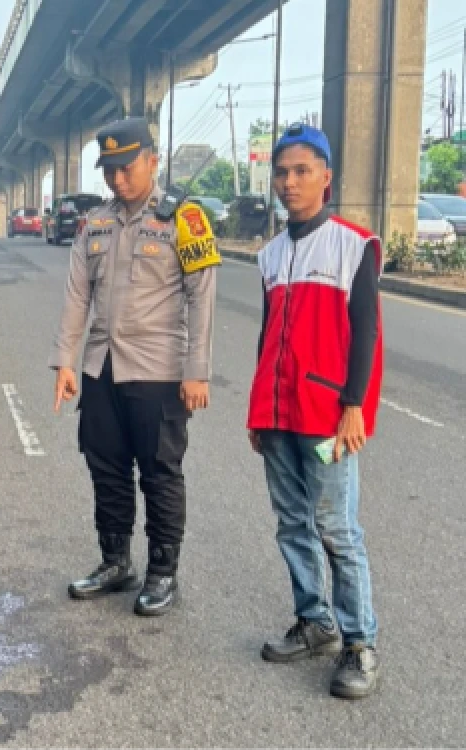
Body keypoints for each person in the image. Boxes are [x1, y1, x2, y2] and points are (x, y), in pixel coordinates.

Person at [50, 116, 219, 617]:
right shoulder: (95, 223)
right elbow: (77, 294)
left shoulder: (185, 219)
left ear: (152, 160)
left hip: (158, 370)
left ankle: (162, 571)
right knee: (105, 466)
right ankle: (115, 561)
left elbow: (202, 298)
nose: (118, 180)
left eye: (126, 168)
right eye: (110, 171)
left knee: (160, 471)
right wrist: (65, 361)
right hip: (101, 368)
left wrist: (197, 370)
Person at [248, 123, 382, 699]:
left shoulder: (354, 246)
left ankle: (359, 642)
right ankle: (315, 621)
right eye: (281, 172)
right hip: (277, 416)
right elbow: (266, 338)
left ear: (326, 177)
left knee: (336, 529)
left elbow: (366, 333)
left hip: (327, 417)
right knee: (291, 524)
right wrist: (257, 411)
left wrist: (354, 407)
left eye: (302, 171)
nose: (289, 182)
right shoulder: (271, 255)